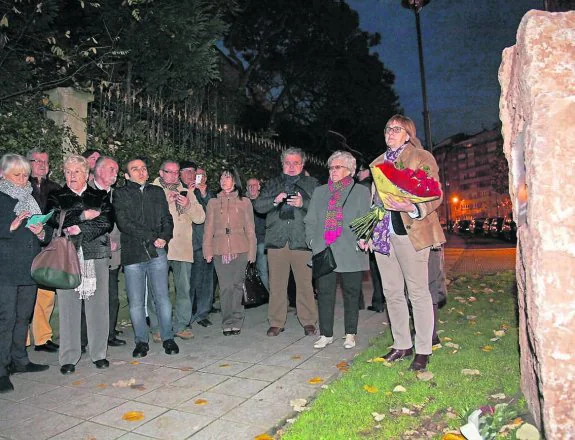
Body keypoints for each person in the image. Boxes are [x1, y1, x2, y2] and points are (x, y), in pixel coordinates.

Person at [365, 114, 445, 372]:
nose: (390, 133)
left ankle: (423, 349)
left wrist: (412, 206)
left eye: (396, 129)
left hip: (412, 231)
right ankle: (401, 344)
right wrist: (367, 232)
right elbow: (375, 203)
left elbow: (435, 193)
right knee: (392, 292)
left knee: (418, 292)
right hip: (383, 235)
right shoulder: (376, 163)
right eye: (387, 128)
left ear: (408, 134)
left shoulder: (420, 157)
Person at [45, 155, 114, 375]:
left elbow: (106, 221)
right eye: (68, 172)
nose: (72, 176)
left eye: (77, 172)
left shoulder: (99, 195)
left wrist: (80, 228)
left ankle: (99, 354)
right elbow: (54, 219)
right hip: (67, 255)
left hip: (96, 255)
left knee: (98, 307)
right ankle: (68, 357)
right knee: (68, 308)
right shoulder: (56, 196)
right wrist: (84, 215)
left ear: (86, 174)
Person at [113, 157, 178, 358]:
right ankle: (141, 341)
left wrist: (165, 236)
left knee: (162, 298)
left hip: (157, 252)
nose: (141, 172)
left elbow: (167, 218)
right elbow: (125, 223)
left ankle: (168, 337)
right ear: (126, 175)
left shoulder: (157, 192)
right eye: (135, 169)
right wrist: (153, 236)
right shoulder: (121, 194)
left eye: (143, 168)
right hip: (133, 254)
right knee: (136, 302)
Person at [305, 151, 370, 349]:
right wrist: (312, 241)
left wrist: (363, 238)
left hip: (350, 250)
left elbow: (366, 219)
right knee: (324, 293)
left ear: (349, 170)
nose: (333, 171)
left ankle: (350, 333)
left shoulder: (360, 192)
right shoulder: (320, 192)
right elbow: (310, 219)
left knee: (351, 293)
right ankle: (326, 334)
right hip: (325, 250)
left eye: (338, 167)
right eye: (331, 167)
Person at [254, 147, 319, 337]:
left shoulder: (312, 184)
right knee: (277, 284)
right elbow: (258, 205)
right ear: (282, 164)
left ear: (302, 164)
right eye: (288, 163)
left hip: (302, 240)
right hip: (277, 241)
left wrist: (303, 204)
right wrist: (275, 201)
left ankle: (308, 321)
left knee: (305, 284)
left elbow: (322, 209)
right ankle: (276, 322)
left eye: (296, 163)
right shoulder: (273, 183)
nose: (291, 167)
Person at [0, 154, 50, 393]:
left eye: (25, 175)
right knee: (5, 320)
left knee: (23, 317)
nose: (22, 180)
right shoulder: (1, 197)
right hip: (5, 269)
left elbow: (43, 234)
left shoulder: (31, 198)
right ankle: (1, 370)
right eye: (16, 175)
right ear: (3, 174)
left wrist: (41, 232)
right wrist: (9, 226)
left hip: (28, 268)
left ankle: (20, 361)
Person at [149, 160, 205, 340]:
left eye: (176, 172)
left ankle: (181, 325)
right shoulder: (151, 190)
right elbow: (145, 216)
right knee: (157, 290)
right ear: (161, 172)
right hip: (160, 247)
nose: (174, 176)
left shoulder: (186, 190)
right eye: (169, 172)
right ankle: (158, 328)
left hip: (182, 248)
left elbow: (200, 218)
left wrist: (188, 204)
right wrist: (165, 201)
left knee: (183, 289)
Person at [203, 169, 256, 335]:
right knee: (225, 287)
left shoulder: (244, 201)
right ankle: (227, 321)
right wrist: (207, 250)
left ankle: (237, 320)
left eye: (227, 177)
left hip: (241, 248)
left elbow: (250, 228)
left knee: (237, 286)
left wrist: (252, 252)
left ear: (235, 181)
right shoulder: (212, 202)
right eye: (221, 177)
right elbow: (208, 228)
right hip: (220, 250)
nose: (223, 180)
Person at [27, 149, 61, 353]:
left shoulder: (55, 188)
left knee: (46, 293)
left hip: (47, 245)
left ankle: (42, 338)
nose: (42, 164)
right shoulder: (21, 185)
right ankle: (20, 341)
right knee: (23, 295)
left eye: (45, 162)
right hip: (23, 246)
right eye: (37, 161)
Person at [91, 156, 126, 347]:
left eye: (117, 170)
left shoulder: (117, 195)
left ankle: (109, 334)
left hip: (113, 254)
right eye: (112, 169)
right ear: (99, 170)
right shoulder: (86, 192)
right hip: (91, 254)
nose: (116, 174)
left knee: (112, 296)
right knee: (89, 297)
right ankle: (84, 338)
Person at [180, 163, 216, 327]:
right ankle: (186, 315)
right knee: (188, 283)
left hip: (203, 241)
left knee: (206, 281)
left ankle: (202, 313)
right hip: (184, 243)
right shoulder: (178, 190)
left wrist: (202, 192)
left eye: (194, 173)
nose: (192, 176)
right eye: (187, 172)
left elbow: (213, 212)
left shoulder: (206, 193)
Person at [356, 162, 385, 313]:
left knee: (374, 270)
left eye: (360, 171)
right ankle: (380, 301)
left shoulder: (363, 187)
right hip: (378, 232)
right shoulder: (375, 184)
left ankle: (377, 301)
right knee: (380, 271)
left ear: (367, 171)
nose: (357, 174)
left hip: (369, 232)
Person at [246, 177, 269, 290]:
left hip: (261, 240)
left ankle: (265, 294)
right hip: (245, 241)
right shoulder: (243, 202)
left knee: (262, 268)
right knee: (245, 270)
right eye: (249, 185)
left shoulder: (265, 201)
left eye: (254, 185)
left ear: (259, 187)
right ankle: (248, 296)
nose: (252, 188)